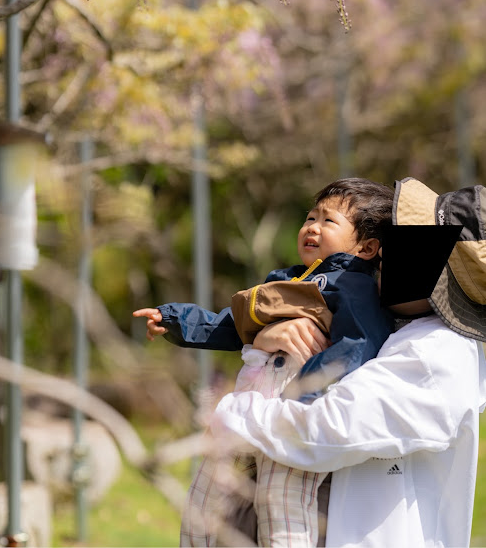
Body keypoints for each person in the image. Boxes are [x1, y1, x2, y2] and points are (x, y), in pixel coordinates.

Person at [208, 177, 486, 548]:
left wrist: (231, 414)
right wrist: (267, 338)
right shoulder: (394, 330)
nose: (385, 251)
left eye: (407, 243)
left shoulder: (435, 354)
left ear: (437, 272)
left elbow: (326, 428)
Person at [134, 178, 396, 547]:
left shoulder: (353, 287)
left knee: (284, 509)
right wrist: (174, 319)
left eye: (328, 221)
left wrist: (305, 395)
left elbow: (356, 346)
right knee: (204, 503)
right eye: (309, 217)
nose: (312, 227)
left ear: (367, 247)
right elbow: (233, 324)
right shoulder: (283, 281)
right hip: (243, 408)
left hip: (293, 414)